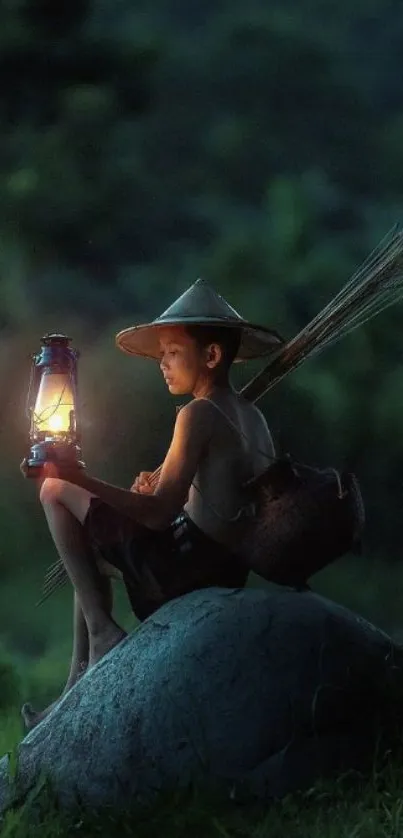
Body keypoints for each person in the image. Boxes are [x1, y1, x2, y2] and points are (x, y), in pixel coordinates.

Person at [20, 278, 284, 730]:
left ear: (212, 356)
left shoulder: (197, 414)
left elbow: (160, 513)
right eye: (161, 354)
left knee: (52, 490)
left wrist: (78, 477)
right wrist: (136, 495)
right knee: (86, 555)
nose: (162, 363)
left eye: (172, 352)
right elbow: (211, 503)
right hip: (221, 565)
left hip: (185, 569)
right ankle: (72, 690)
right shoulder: (251, 416)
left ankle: (104, 635)